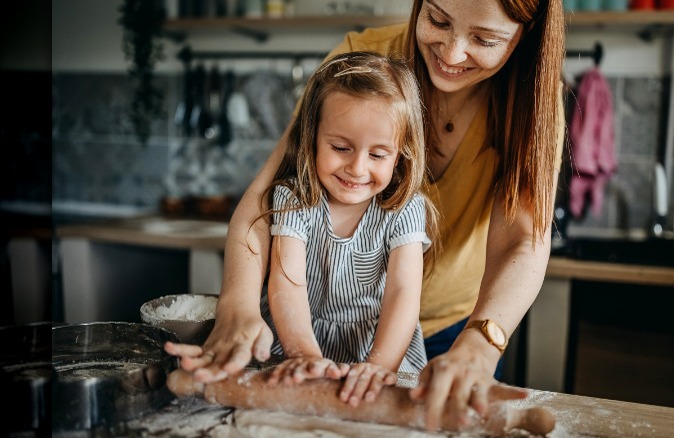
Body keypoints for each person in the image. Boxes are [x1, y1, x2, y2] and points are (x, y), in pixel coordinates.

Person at [166, 0, 566, 431]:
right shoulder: (357, 64)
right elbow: (268, 197)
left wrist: (481, 343)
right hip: (314, 333)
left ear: (527, 34)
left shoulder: (532, 102)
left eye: (484, 39)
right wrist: (240, 301)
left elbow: (522, 240)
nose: (451, 54)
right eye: (437, 20)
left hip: (459, 332)